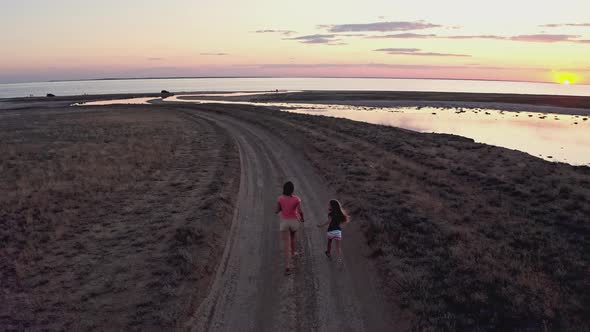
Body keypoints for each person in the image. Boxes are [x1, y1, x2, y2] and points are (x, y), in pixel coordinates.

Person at [275, 181, 305, 274]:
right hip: (294, 221)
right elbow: (300, 211)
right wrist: (302, 218)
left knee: (286, 244)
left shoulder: (280, 198)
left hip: (284, 222)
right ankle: (293, 252)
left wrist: (282, 208)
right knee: (292, 237)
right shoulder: (296, 199)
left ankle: (287, 266)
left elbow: (276, 211)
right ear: (292, 189)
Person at [316, 199, 349, 264]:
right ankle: (339, 259)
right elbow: (341, 221)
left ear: (332, 206)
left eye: (329, 205)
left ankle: (328, 252)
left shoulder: (330, 214)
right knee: (338, 246)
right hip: (338, 231)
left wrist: (321, 225)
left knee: (329, 242)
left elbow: (329, 222)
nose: (328, 206)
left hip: (331, 230)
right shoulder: (340, 214)